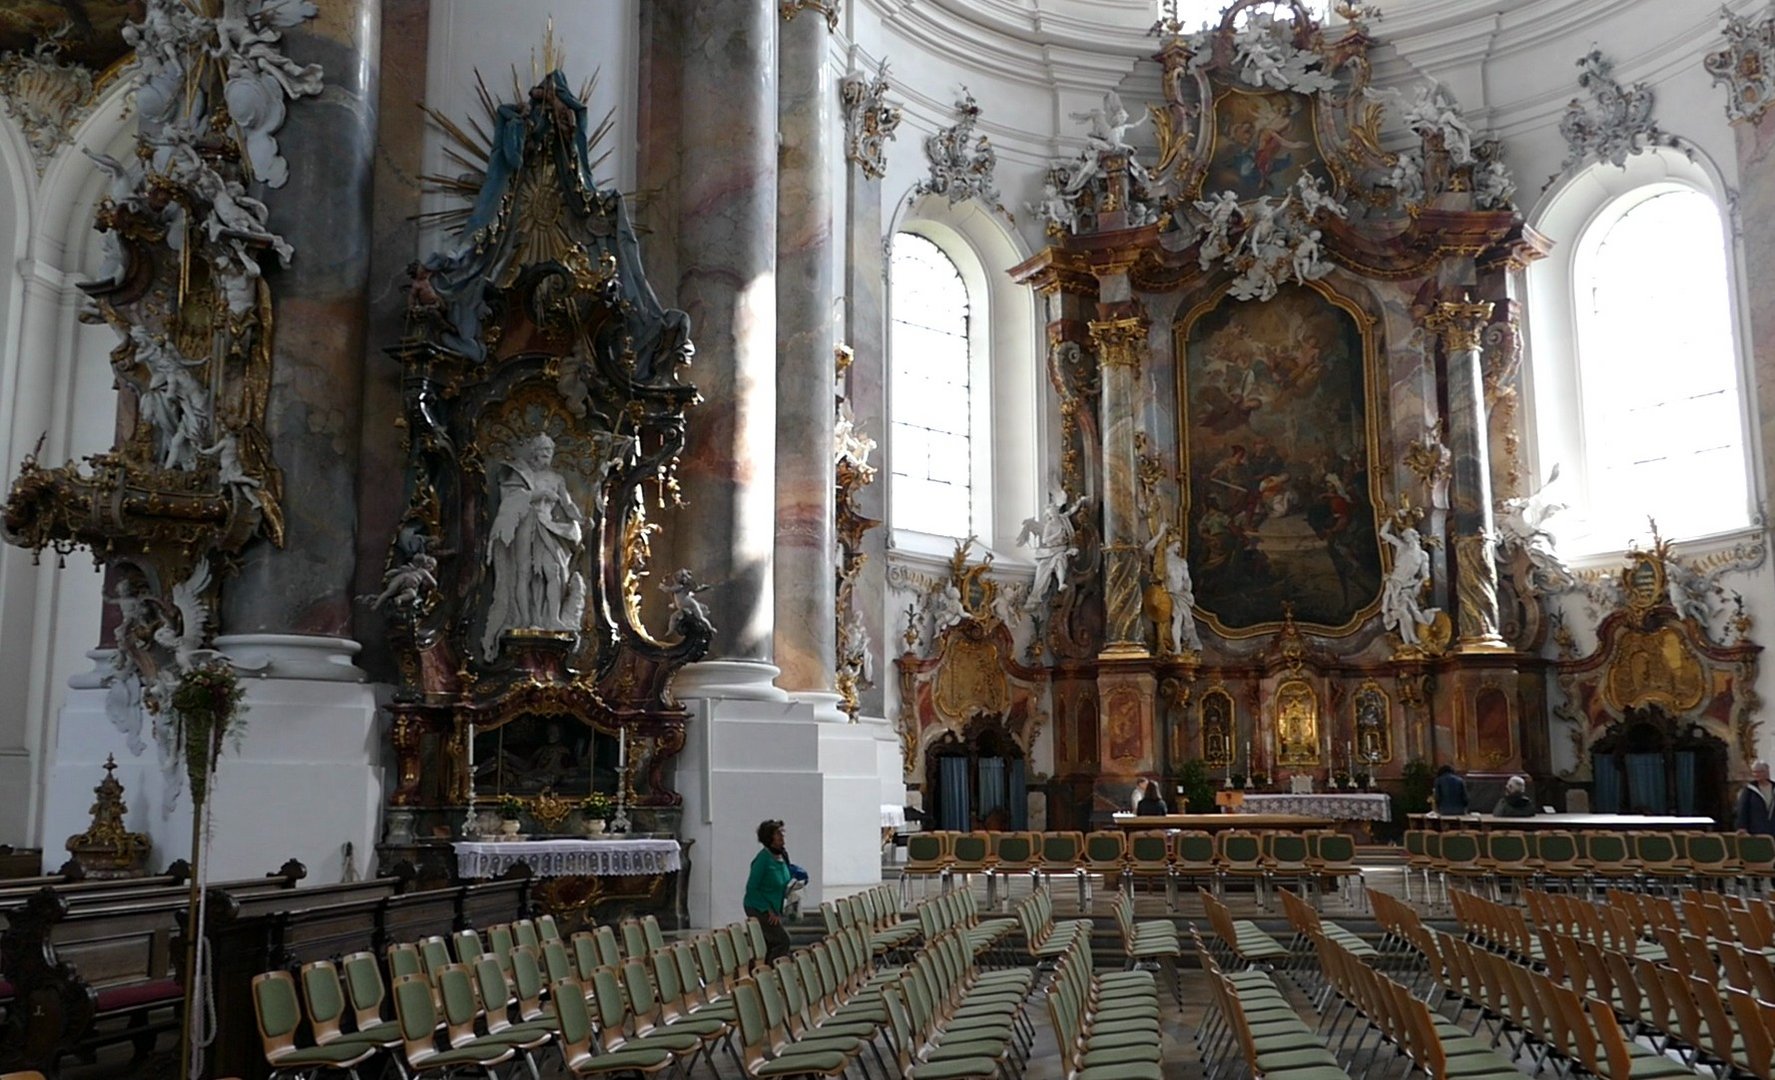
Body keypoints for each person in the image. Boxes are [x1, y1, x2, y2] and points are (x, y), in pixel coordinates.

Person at [481, 433, 588, 660]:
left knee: (555, 571)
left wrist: (580, 519)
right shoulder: (521, 474)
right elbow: (509, 500)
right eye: (542, 452)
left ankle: (552, 618)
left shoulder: (556, 478)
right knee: (524, 573)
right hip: (524, 527)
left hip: (547, 527)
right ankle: (523, 619)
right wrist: (537, 494)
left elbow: (568, 505)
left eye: (549, 452)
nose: (546, 456)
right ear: (534, 453)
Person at [743, 819, 799, 961]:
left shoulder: (782, 856)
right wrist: (768, 910)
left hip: (775, 907)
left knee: (770, 944)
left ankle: (757, 974)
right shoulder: (763, 860)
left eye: (782, 833)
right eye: (778, 833)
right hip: (758, 907)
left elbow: (785, 877)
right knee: (782, 941)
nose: (782, 836)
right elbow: (752, 888)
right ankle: (767, 974)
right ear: (769, 838)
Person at [1737, 761, 1775, 836]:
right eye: (1754, 772)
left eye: (1760, 772)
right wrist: (1742, 827)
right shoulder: (1749, 790)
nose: (1757, 775)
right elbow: (1743, 809)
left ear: (1767, 772)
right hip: (1756, 830)